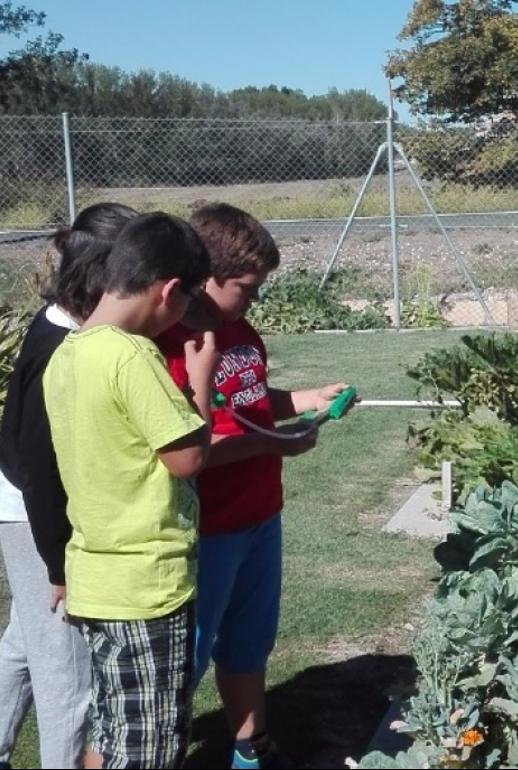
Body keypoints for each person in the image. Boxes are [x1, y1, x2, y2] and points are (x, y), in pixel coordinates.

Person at [156, 203, 352, 770]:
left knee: (248, 643)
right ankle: (158, 750)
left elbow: (252, 405)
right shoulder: (170, 348)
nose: (254, 299)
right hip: (206, 530)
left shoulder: (239, 331)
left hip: (260, 515)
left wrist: (308, 399)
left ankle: (250, 747)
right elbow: (188, 453)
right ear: (203, 279)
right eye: (247, 288)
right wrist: (273, 444)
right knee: (185, 659)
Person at [0, 204, 137, 770]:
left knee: (24, 637)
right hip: (36, 516)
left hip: (34, 507)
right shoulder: (60, 346)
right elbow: (38, 470)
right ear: (104, 277)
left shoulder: (66, 323)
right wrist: (59, 564)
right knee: (69, 677)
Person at [43, 212, 217, 769]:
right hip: (146, 587)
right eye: (189, 299)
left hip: (97, 580)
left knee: (114, 729)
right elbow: (186, 455)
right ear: (170, 290)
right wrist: (200, 384)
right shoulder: (131, 354)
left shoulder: (67, 353)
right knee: (147, 747)